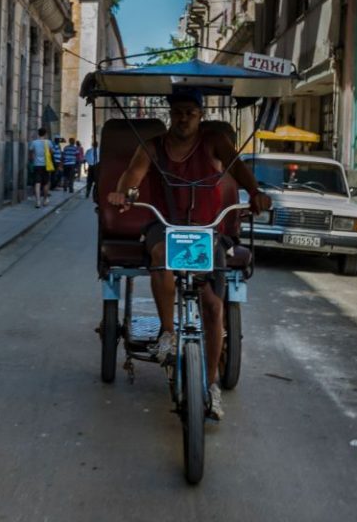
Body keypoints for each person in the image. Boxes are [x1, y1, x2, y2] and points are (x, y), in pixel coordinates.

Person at [107, 87, 270, 420]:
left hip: (210, 229)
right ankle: (167, 332)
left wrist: (255, 192)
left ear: (200, 116)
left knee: (212, 306)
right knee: (160, 256)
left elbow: (239, 169)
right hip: (165, 225)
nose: (183, 118)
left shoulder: (214, 143)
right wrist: (123, 193)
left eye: (190, 113)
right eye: (178, 112)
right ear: (170, 114)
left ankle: (210, 386)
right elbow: (133, 174)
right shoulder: (153, 146)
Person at [28, 127, 53, 207]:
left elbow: (31, 153)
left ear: (38, 134)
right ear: (45, 134)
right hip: (46, 165)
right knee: (45, 183)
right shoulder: (48, 142)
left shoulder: (34, 143)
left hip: (37, 165)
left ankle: (38, 201)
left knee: (37, 183)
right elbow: (51, 153)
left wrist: (32, 160)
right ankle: (45, 200)